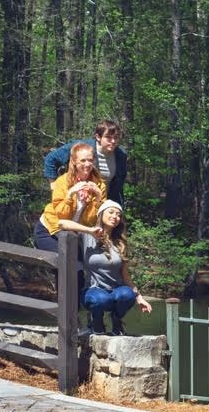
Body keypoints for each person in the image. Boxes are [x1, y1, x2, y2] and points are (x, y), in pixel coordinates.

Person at [81, 200, 155, 335]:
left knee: (127, 295)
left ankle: (116, 320)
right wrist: (88, 229)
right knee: (101, 299)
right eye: (111, 212)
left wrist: (139, 298)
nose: (115, 216)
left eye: (118, 214)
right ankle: (95, 321)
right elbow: (63, 224)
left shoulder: (120, 243)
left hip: (115, 291)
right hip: (93, 291)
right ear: (101, 214)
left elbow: (125, 276)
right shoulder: (87, 237)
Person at [36, 142, 104, 253]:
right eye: (83, 160)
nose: (87, 164)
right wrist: (70, 194)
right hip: (50, 229)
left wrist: (98, 197)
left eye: (90, 160)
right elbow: (62, 217)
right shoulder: (63, 182)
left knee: (79, 268)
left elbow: (90, 220)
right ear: (74, 161)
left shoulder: (99, 185)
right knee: (70, 266)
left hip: (73, 232)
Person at [44, 120, 129, 206]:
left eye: (116, 137)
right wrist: (53, 184)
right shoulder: (82, 147)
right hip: (76, 199)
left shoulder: (121, 155)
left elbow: (118, 185)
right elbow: (51, 159)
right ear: (98, 137)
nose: (113, 141)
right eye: (108, 137)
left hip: (104, 202)